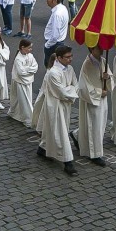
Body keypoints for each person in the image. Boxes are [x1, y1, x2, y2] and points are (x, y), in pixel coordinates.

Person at [35, 44, 78, 176]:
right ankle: (67, 161)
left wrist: (70, 89)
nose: (70, 59)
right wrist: (70, 89)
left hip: (65, 105)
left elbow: (76, 85)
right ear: (58, 58)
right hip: (55, 105)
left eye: (71, 56)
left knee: (55, 128)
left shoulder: (69, 69)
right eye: (67, 57)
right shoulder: (53, 73)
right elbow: (62, 93)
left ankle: (43, 148)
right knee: (61, 132)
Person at [77, 46, 112, 166]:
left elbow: (109, 77)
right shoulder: (87, 64)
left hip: (102, 99)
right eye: (98, 48)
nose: (102, 49)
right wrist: (98, 92)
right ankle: (95, 153)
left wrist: (107, 78)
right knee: (94, 125)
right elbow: (83, 86)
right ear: (92, 49)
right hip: (93, 100)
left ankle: (77, 135)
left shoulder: (103, 61)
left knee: (101, 124)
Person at [8, 37, 38, 127]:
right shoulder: (18, 59)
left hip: (27, 81)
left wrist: (27, 69)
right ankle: (28, 118)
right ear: (22, 47)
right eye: (29, 48)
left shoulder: (30, 56)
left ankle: (14, 113)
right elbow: (21, 72)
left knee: (26, 98)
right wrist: (30, 70)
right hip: (20, 82)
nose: (30, 50)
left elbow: (35, 66)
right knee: (24, 101)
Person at [42, 0, 69, 66]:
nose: (47, 1)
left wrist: (47, 45)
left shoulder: (57, 14)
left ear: (55, 0)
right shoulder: (63, 8)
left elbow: (55, 35)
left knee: (50, 67)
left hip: (53, 45)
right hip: (59, 43)